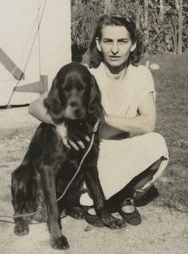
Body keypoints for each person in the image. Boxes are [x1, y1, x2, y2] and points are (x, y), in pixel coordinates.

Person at [28, 14, 169, 227]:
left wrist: (104, 116)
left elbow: (147, 123)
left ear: (133, 45)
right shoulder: (87, 74)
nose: (114, 49)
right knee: (85, 166)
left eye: (122, 41)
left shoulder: (141, 75)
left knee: (157, 142)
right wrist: (60, 124)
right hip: (90, 153)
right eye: (108, 41)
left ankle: (118, 195)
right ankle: (104, 198)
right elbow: (35, 106)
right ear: (98, 44)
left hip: (122, 149)